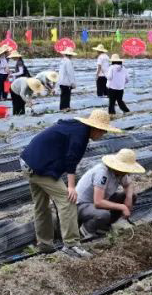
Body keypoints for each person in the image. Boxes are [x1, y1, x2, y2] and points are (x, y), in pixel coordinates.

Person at [19, 109, 122, 258]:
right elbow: (71, 160)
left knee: (41, 206)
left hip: (29, 162)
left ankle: (45, 245)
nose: (103, 134)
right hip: (39, 167)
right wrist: (71, 187)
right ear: (96, 128)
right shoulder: (80, 135)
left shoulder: (76, 126)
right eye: (103, 131)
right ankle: (72, 245)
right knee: (68, 201)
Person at [76, 148, 144, 238]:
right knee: (104, 214)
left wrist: (128, 198)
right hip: (81, 205)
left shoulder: (120, 173)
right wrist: (122, 207)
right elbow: (98, 202)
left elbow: (128, 184)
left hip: (97, 203)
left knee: (132, 196)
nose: (127, 172)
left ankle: (104, 225)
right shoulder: (102, 173)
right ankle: (85, 231)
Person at [57, 47, 77, 111]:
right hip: (66, 82)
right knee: (66, 95)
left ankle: (64, 107)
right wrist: (73, 83)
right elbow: (70, 73)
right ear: (70, 55)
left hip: (61, 81)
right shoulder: (68, 62)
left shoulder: (62, 61)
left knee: (63, 95)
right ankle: (65, 107)